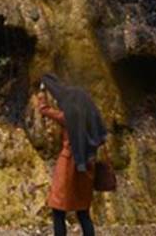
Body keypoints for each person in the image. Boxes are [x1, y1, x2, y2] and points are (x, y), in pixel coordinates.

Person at [38, 73, 107, 236]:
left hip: (68, 164)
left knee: (58, 209)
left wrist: (42, 91)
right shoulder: (92, 118)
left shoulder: (67, 118)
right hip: (87, 166)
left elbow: (44, 109)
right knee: (83, 212)